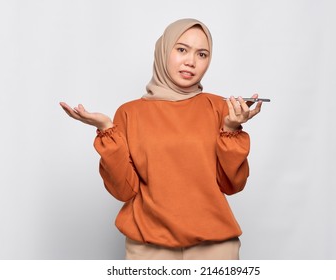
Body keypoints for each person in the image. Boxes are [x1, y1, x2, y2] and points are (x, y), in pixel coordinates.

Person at [60, 18, 263, 260]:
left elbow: (233, 184)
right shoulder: (129, 113)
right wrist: (106, 130)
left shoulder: (220, 108)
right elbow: (124, 190)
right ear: (163, 50)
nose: (191, 61)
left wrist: (231, 129)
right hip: (148, 248)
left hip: (214, 248)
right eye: (181, 49)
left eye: (202, 54)